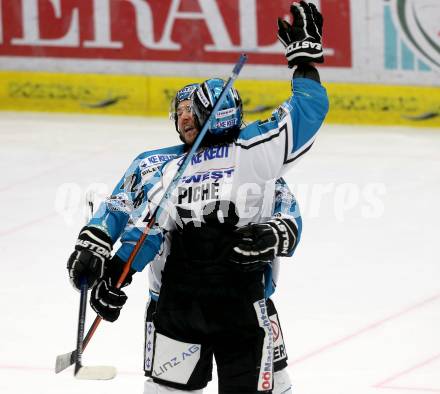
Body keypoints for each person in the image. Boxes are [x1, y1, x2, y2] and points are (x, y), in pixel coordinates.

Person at [67, 1, 328, 392]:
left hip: (245, 301)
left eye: (193, 110)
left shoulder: (250, 158)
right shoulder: (158, 164)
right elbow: (122, 210)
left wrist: (277, 234)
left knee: (276, 384)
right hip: (171, 302)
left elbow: (285, 207)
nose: (186, 117)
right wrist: (98, 249)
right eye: (181, 111)